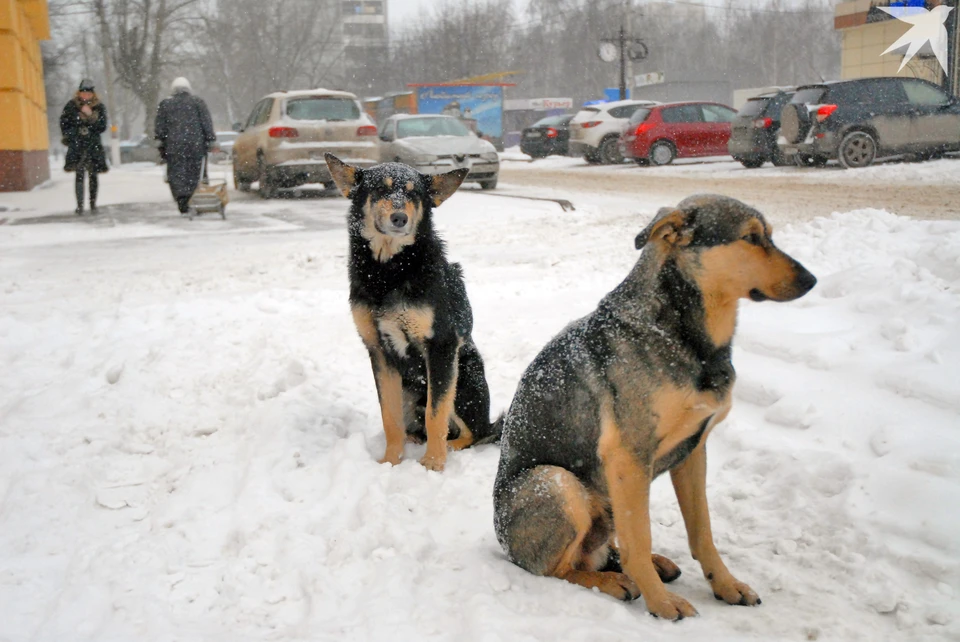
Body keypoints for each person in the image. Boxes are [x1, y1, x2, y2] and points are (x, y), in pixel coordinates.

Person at [155, 77, 216, 215]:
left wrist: (161, 144)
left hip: (174, 146)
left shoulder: (165, 104)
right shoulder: (198, 102)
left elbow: (160, 128)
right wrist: (210, 140)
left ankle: (183, 201)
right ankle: (199, 198)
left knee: (177, 175)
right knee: (197, 173)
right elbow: (206, 123)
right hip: (196, 145)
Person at [60, 78, 108, 215]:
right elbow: (64, 124)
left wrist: (90, 115)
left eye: (88, 93)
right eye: (83, 93)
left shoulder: (99, 107)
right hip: (77, 145)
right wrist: (74, 131)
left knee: (93, 176)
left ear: (93, 94)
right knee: (79, 175)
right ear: (79, 93)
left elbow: (102, 126)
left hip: (93, 146)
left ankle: (93, 204)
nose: (85, 96)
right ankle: (79, 205)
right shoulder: (71, 106)